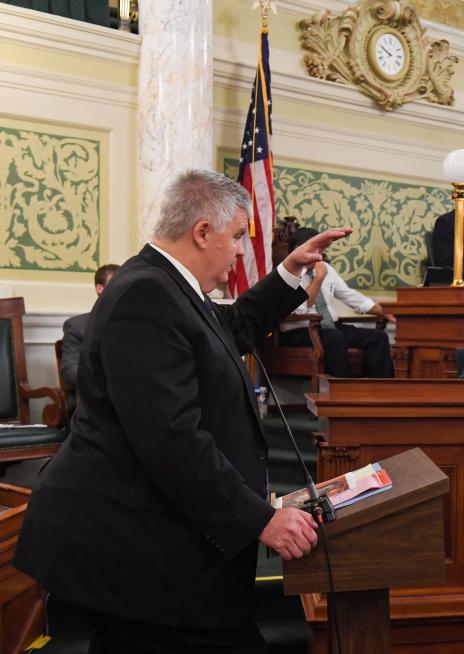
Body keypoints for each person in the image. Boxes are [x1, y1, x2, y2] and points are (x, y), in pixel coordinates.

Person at [14, 169, 352, 653]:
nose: (240, 251)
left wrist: (289, 273)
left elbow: (232, 327)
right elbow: (172, 441)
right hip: (137, 553)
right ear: (201, 232)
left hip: (152, 549)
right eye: (237, 237)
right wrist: (261, 519)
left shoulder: (166, 285)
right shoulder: (146, 295)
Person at [277, 226, 395, 378]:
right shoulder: (288, 272)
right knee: (334, 337)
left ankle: (377, 393)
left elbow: (347, 294)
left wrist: (381, 310)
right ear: (294, 251)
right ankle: (341, 393)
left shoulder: (325, 268)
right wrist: (318, 279)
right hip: (299, 331)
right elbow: (300, 309)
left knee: (378, 338)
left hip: (329, 327)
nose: (314, 254)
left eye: (317, 249)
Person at [60, 262, 119, 415]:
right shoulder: (77, 326)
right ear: (99, 289)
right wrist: (106, 379)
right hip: (90, 404)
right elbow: (69, 370)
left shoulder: (135, 325)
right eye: (116, 284)